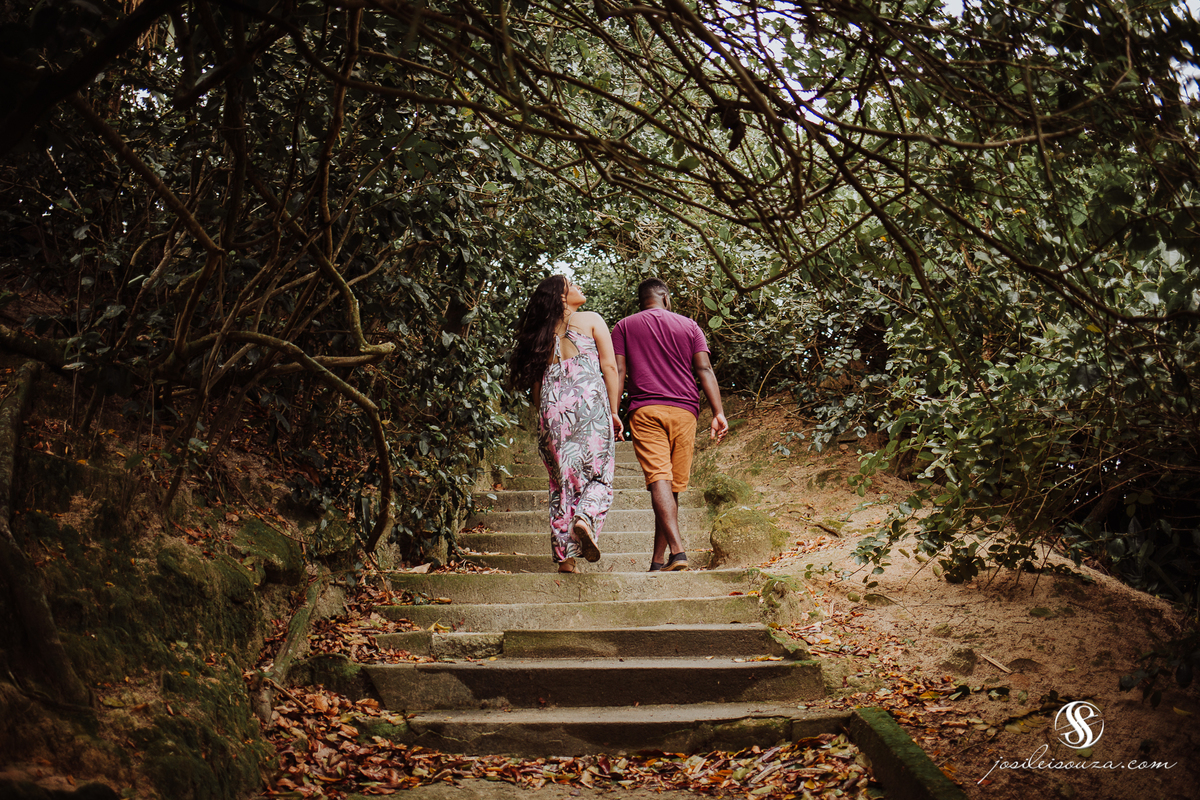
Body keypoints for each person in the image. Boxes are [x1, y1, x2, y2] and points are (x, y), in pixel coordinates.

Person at [509, 275, 624, 573]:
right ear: (562, 297)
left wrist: (545, 419)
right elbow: (610, 367)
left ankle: (566, 559)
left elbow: (536, 388)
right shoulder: (590, 319)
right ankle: (585, 517)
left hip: (551, 413)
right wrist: (613, 410)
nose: (579, 287)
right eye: (572, 284)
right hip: (588, 407)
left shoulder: (541, 337)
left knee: (562, 484)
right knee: (599, 476)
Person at [613, 278, 729, 571]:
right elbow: (704, 368)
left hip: (646, 410)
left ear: (642, 300)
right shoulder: (690, 326)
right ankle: (663, 559)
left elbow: (619, 370)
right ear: (665, 296)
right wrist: (718, 412)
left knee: (661, 483)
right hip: (685, 412)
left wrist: (613, 410)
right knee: (668, 486)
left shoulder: (624, 326)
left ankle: (671, 555)